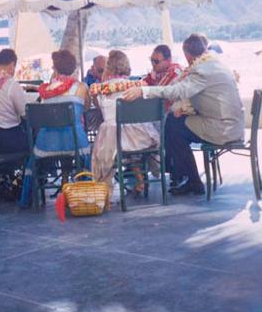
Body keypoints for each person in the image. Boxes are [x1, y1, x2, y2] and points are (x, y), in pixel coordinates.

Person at [122, 33, 245, 196]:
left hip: (222, 129)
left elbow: (175, 91)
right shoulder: (216, 64)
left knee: (173, 124)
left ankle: (187, 178)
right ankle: (183, 175)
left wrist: (143, 91)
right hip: (234, 126)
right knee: (176, 122)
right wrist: (186, 109)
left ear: (187, 55)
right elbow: (206, 97)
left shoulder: (201, 71)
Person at [20, 50, 91, 205]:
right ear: (73, 68)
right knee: (76, 139)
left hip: (46, 144)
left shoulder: (46, 91)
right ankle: (84, 192)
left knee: (60, 137)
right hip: (74, 142)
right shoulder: (81, 87)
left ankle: (59, 186)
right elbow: (86, 108)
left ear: (55, 68)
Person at [89, 50, 159, 194]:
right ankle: (140, 178)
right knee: (131, 150)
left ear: (108, 67)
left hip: (114, 141)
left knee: (105, 151)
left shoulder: (103, 89)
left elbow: (102, 111)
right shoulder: (137, 86)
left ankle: (104, 189)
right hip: (141, 137)